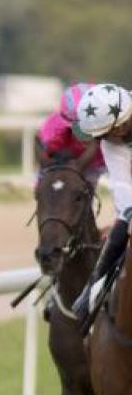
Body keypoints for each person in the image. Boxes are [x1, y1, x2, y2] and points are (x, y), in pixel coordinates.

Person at [71, 83, 132, 323]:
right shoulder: (111, 144)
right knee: (124, 220)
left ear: (118, 127)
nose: (99, 141)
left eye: (102, 134)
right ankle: (93, 290)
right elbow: (124, 188)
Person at [37, 82, 103, 181]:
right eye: (79, 128)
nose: (84, 132)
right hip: (69, 160)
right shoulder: (53, 130)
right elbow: (43, 156)